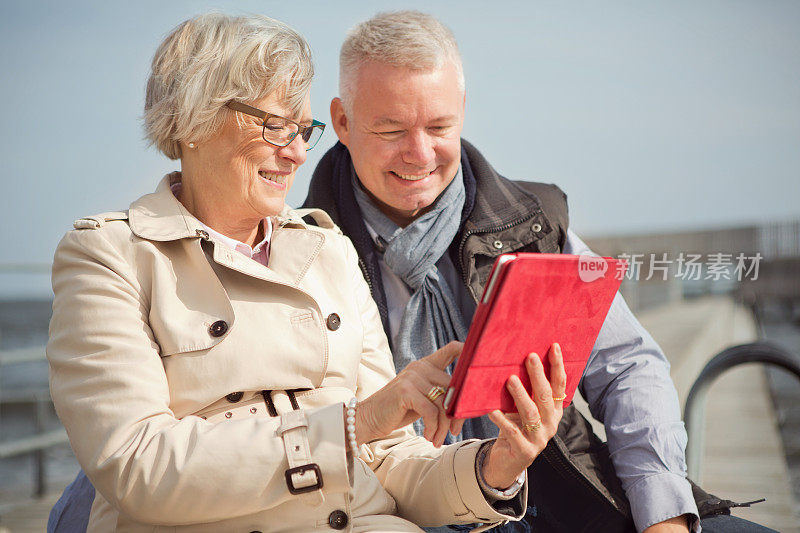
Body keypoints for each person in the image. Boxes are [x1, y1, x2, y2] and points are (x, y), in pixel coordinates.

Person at [45, 13, 567, 532]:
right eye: (275, 125)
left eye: (302, 130)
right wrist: (355, 424)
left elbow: (388, 461)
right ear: (193, 122)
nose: (296, 153)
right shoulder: (110, 256)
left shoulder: (327, 250)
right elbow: (140, 467)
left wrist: (495, 467)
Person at [301, 11, 774, 533]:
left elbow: (626, 366)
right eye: (390, 129)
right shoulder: (301, 255)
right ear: (342, 121)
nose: (419, 153)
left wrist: (663, 512)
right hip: (397, 513)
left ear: (463, 113)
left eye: (440, 127)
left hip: (559, 490)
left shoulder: (532, 222)